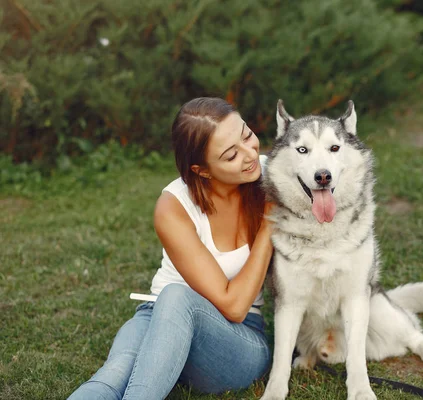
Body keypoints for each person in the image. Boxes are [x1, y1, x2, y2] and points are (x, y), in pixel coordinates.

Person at [69, 97, 273, 400]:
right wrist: (272, 222)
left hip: (238, 338)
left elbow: (236, 310)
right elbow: (230, 301)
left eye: (246, 135)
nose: (250, 154)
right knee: (110, 378)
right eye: (231, 155)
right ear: (202, 170)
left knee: (177, 297)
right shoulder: (174, 206)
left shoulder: (277, 174)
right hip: (158, 315)